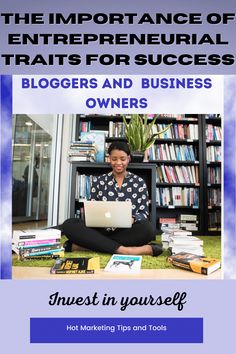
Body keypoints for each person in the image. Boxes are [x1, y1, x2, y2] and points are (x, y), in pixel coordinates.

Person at [62, 141, 162, 256]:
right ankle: (126, 250)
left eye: (123, 159)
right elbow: (94, 209)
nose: (118, 163)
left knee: (148, 229)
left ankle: (86, 246)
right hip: (101, 230)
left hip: (127, 231)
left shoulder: (139, 182)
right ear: (109, 158)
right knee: (69, 224)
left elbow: (144, 212)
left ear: (128, 158)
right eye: (114, 159)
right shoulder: (99, 181)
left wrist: (133, 219)